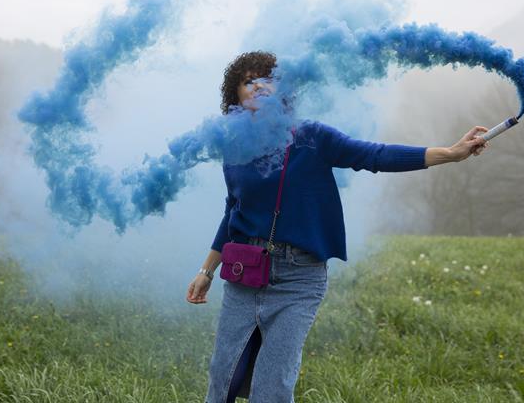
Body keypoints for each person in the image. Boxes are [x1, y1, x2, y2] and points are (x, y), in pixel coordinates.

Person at [186, 51, 489, 403]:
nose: (258, 87)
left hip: (299, 278)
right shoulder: (234, 148)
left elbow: (374, 155)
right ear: (235, 95)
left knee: (273, 386)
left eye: (266, 78)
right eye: (247, 81)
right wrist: (206, 271)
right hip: (245, 273)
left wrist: (449, 154)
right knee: (223, 378)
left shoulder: (311, 137)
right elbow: (232, 211)